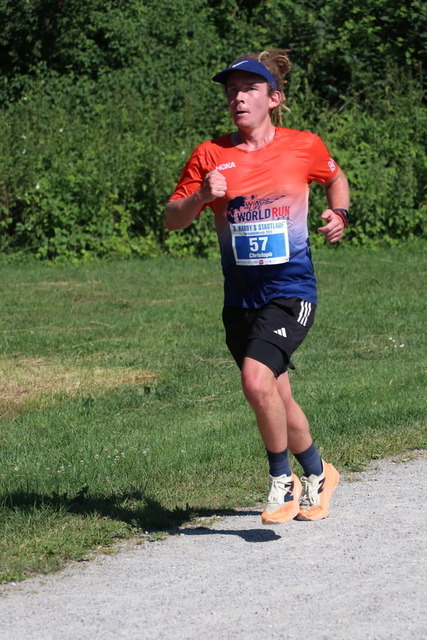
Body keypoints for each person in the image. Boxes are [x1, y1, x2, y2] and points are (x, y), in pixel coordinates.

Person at [164, 49, 350, 524]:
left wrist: (339, 213)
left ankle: (281, 480)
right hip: (240, 299)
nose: (238, 98)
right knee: (276, 396)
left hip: (291, 291)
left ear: (273, 99)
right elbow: (172, 219)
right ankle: (319, 473)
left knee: (254, 380)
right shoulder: (210, 154)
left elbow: (336, 178)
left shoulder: (303, 145)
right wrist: (201, 196)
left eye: (249, 89)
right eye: (232, 91)